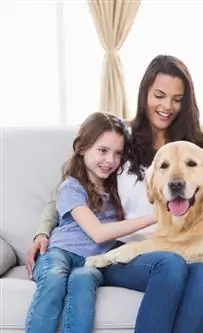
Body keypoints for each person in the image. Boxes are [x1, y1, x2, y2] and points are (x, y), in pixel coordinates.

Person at [26, 55, 203, 333]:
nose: (167, 106)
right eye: (159, 95)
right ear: (144, 94)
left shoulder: (197, 147)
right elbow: (70, 185)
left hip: (182, 242)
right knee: (169, 264)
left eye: (177, 99)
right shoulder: (120, 137)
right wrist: (43, 231)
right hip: (124, 250)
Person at [26, 112, 158, 333]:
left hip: (93, 261)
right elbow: (97, 233)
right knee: (54, 280)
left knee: (83, 280)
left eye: (117, 153)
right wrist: (154, 218)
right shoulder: (72, 187)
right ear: (82, 147)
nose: (110, 161)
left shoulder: (118, 187)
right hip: (61, 252)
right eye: (102, 151)